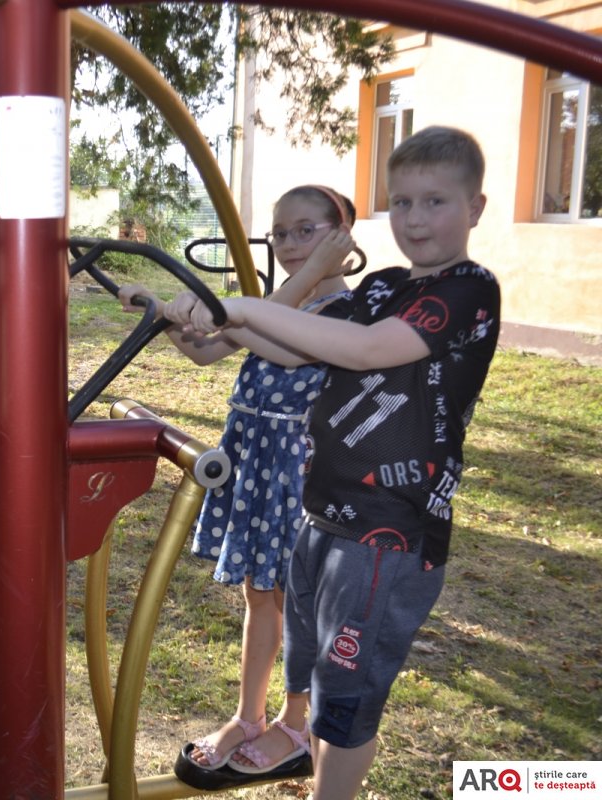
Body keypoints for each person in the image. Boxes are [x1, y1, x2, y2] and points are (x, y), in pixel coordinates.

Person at [165, 126, 500, 799]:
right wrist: (210, 321)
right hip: (320, 516)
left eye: (434, 202)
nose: (414, 219)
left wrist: (237, 306)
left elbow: (369, 351)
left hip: (386, 531)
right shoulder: (382, 287)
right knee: (317, 676)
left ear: (476, 208)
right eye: (401, 202)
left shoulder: (468, 290)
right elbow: (294, 348)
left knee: (346, 697)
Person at [121, 186, 359, 788]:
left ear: (342, 235)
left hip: (299, 471)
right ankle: (249, 717)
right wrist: (160, 310)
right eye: (279, 233)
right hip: (255, 459)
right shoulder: (282, 300)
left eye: (306, 231)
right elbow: (207, 351)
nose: (288, 244)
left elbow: (274, 338)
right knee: (260, 593)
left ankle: (296, 725)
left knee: (297, 601)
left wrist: (243, 302)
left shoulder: (346, 312)